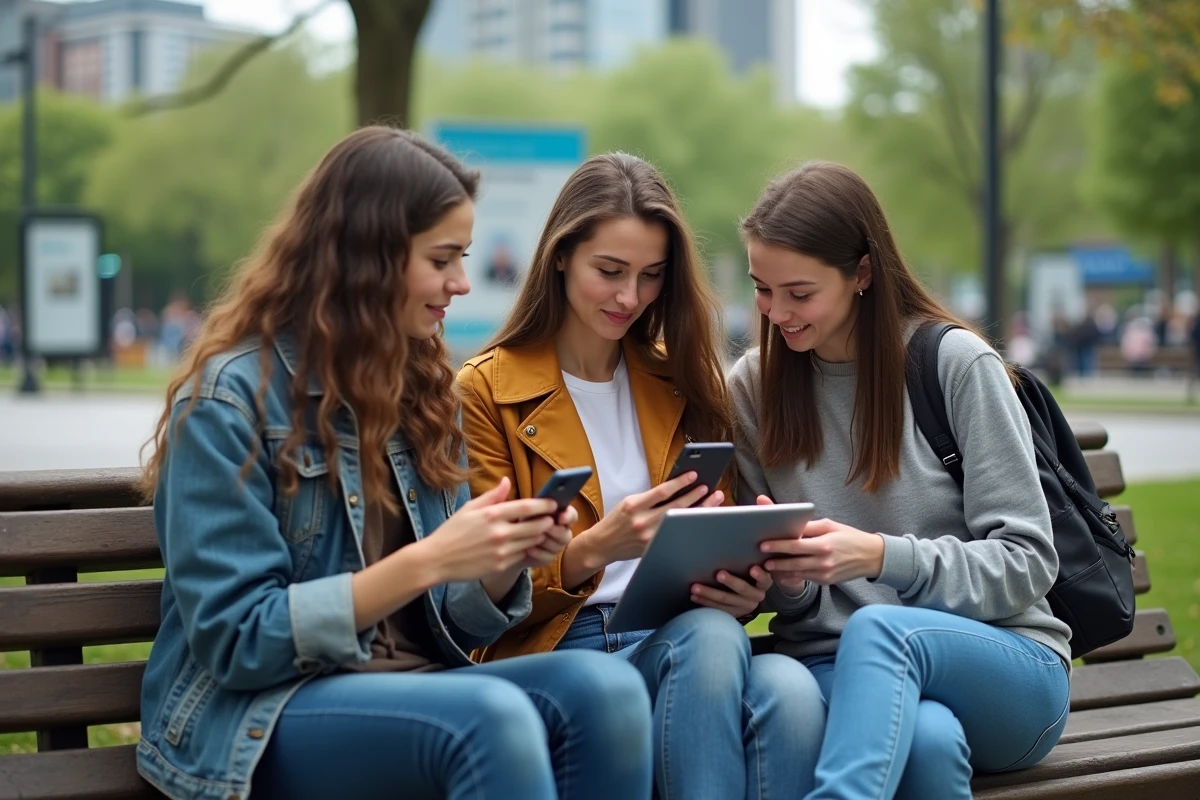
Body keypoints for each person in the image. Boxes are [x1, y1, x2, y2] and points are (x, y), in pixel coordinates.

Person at [136, 127, 653, 800]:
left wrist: (500, 563)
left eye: (464, 258)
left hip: (416, 692)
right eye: (442, 260)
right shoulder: (228, 403)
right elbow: (237, 642)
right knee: (489, 721)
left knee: (606, 690)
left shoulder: (419, 388)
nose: (462, 283)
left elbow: (452, 621)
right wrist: (431, 559)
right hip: (264, 716)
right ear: (368, 258)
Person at [458, 152, 825, 799]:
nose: (630, 297)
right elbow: (471, 601)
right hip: (554, 650)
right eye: (611, 271)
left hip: (678, 633)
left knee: (790, 691)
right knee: (714, 643)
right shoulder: (487, 392)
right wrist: (599, 547)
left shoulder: (680, 382)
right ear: (562, 255)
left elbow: (725, 543)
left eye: (651, 276)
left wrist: (743, 588)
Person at [730, 162, 1071, 800]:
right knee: (931, 742)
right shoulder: (753, 388)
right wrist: (793, 585)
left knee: (881, 630)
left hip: (1004, 663)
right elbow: (781, 591)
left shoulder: (954, 363)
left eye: (799, 293)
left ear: (862, 272)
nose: (777, 312)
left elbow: (1028, 562)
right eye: (761, 289)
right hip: (834, 666)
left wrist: (884, 558)